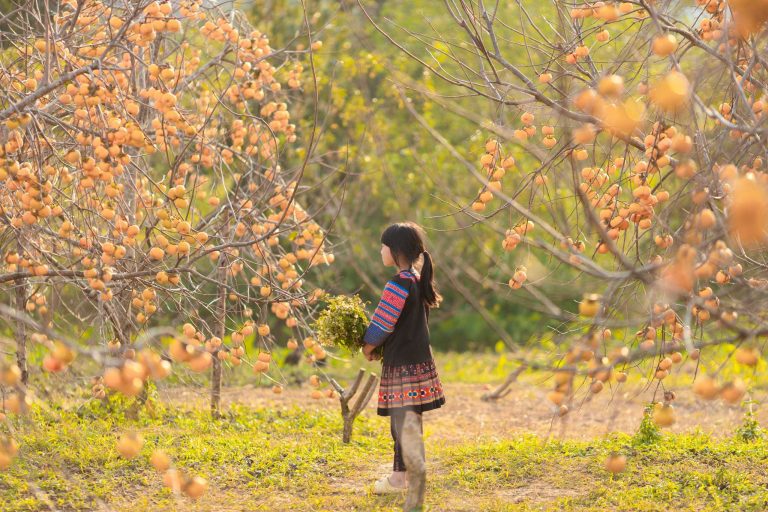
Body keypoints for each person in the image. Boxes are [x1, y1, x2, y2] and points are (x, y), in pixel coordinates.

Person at [360, 221, 446, 494]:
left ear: (395, 250)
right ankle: (412, 475)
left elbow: (383, 324)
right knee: (411, 420)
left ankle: (399, 479)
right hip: (419, 361)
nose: (380, 251)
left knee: (401, 422)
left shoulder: (398, 283)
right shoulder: (417, 280)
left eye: (383, 246)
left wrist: (369, 346)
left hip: (403, 365)